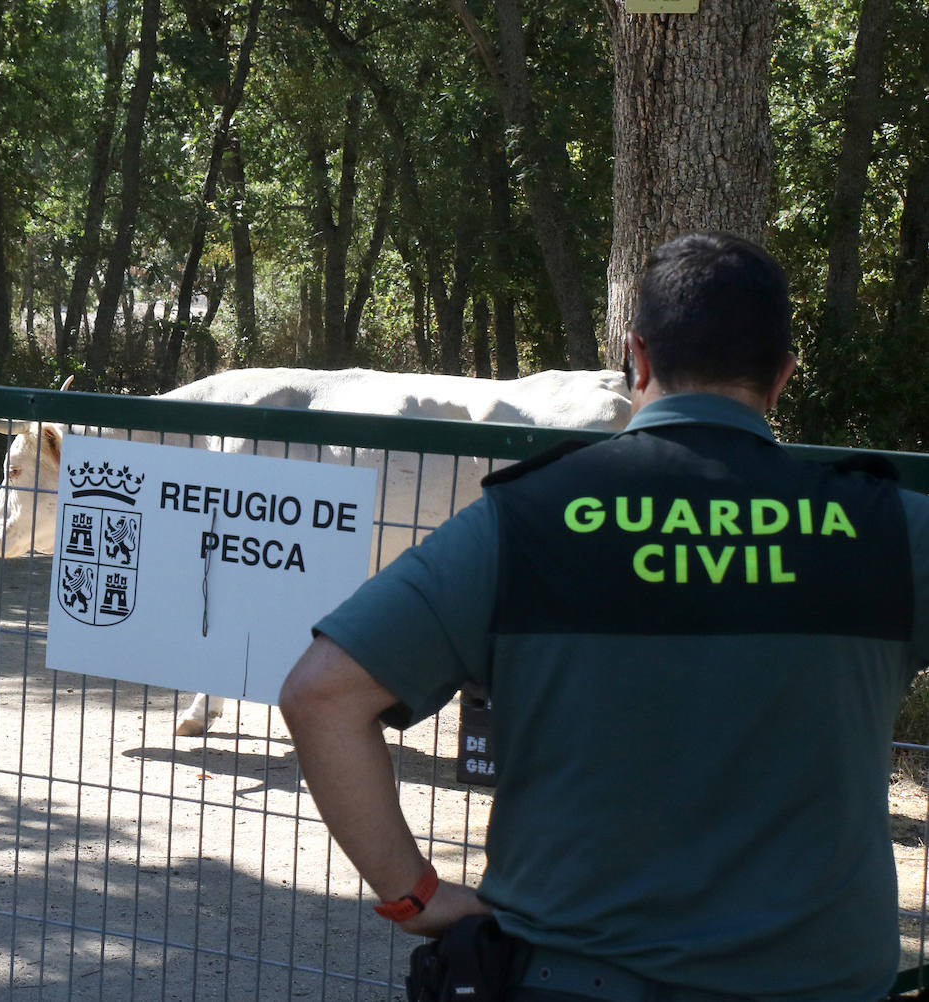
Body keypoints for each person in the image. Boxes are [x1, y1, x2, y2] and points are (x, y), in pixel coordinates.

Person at [279, 231, 929, 1002]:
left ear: (639, 358)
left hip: (572, 979)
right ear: (782, 377)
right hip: (821, 981)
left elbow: (321, 693)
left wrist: (413, 894)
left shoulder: (525, 521)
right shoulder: (895, 530)